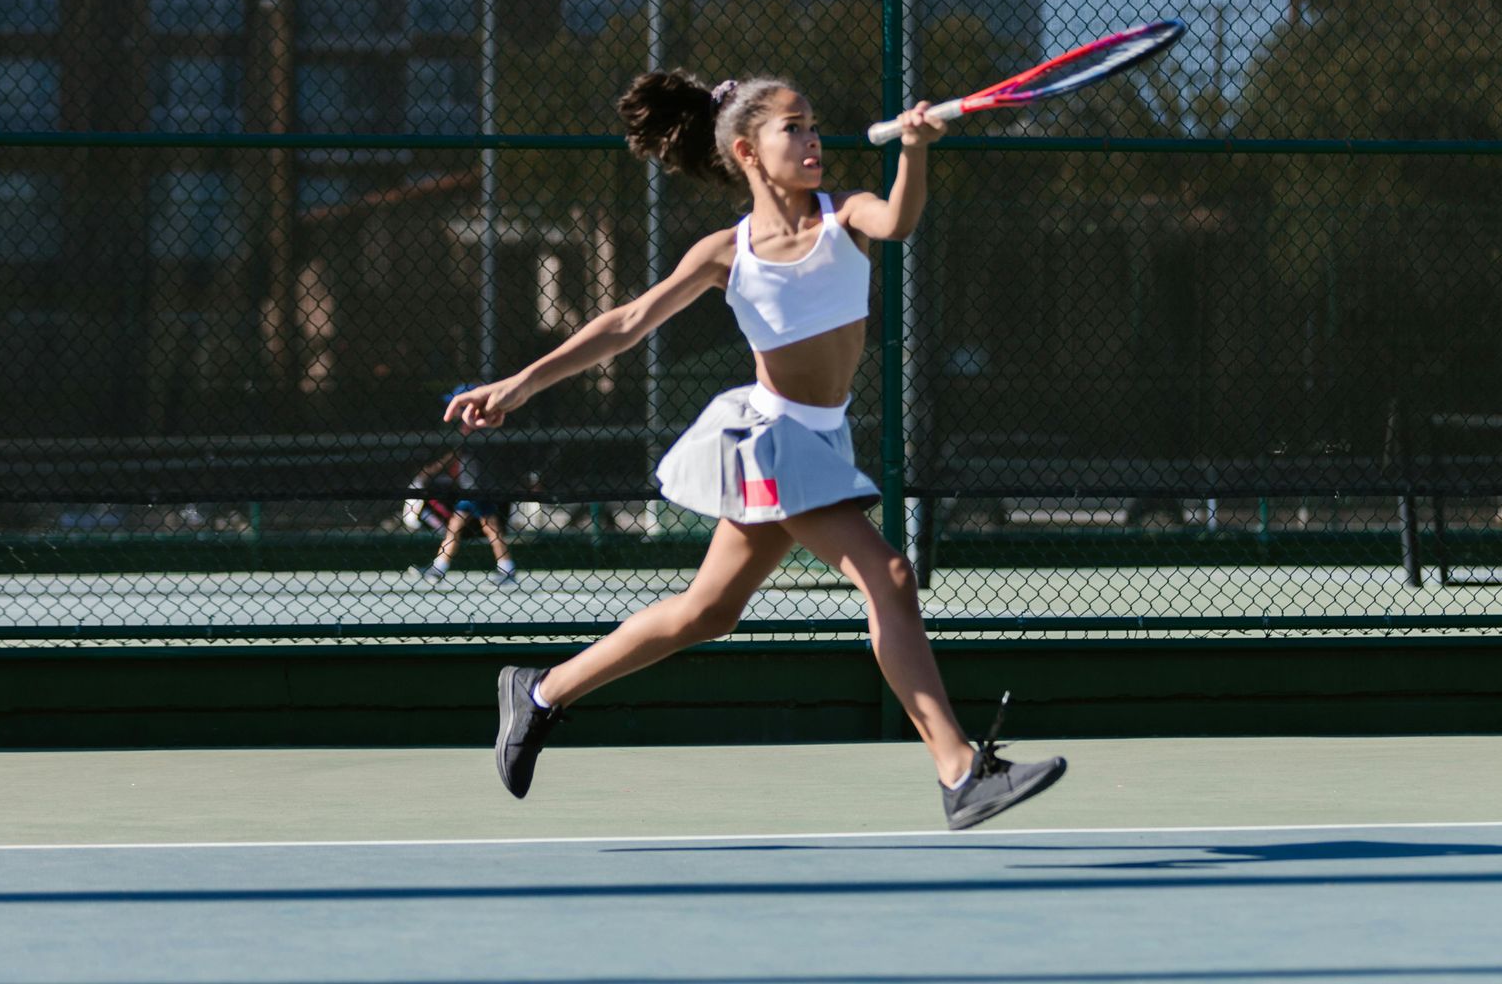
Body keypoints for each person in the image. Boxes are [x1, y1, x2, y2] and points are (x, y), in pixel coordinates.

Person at [443, 71, 1066, 832]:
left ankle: (540, 693)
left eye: (814, 126)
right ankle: (959, 769)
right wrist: (519, 383)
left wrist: (914, 149)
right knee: (890, 574)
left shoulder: (846, 216)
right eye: (793, 128)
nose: (813, 141)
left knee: (707, 612)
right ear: (747, 151)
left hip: (819, 438)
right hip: (771, 438)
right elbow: (625, 323)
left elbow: (900, 219)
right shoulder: (724, 253)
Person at [409, 386, 518, 586]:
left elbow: (459, 454)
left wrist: (433, 469)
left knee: (479, 528)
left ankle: (505, 569)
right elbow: (458, 453)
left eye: (460, 404)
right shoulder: (469, 428)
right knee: (470, 528)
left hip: (477, 488)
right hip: (472, 487)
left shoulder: (477, 427)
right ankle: (441, 568)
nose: (455, 408)